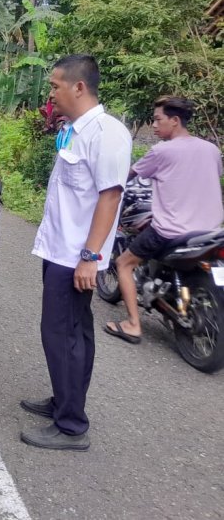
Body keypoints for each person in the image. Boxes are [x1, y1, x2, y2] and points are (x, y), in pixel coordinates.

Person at [21, 54, 131, 451]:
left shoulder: (107, 132)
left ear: (79, 87)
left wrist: (90, 256)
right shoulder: (75, 130)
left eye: (55, 85)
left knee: (61, 335)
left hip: (75, 257)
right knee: (72, 333)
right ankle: (65, 401)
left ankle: (71, 425)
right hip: (60, 250)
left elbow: (109, 196)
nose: (50, 93)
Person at [104, 96, 223, 344]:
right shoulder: (211, 149)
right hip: (210, 231)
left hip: (171, 231)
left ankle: (133, 325)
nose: (154, 125)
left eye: (158, 120)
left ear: (175, 120)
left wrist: (107, 187)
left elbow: (129, 176)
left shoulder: (161, 151)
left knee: (125, 263)